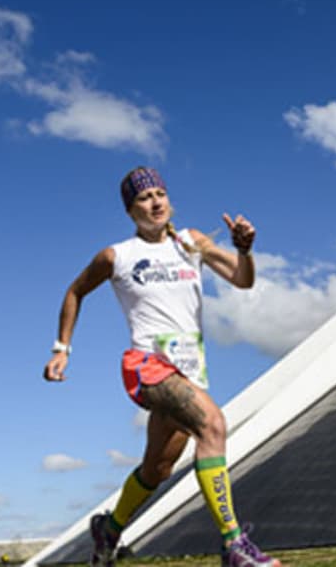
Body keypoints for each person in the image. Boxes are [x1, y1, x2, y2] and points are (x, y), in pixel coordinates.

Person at [42, 167, 280, 567]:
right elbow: (75, 291)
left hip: (188, 371)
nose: (155, 202)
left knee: (158, 468)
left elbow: (243, 280)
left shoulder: (191, 243)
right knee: (213, 425)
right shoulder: (117, 256)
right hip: (146, 366)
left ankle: (110, 529)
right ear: (130, 210)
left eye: (160, 193)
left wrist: (245, 250)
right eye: (144, 197)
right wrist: (61, 347)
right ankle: (234, 545)